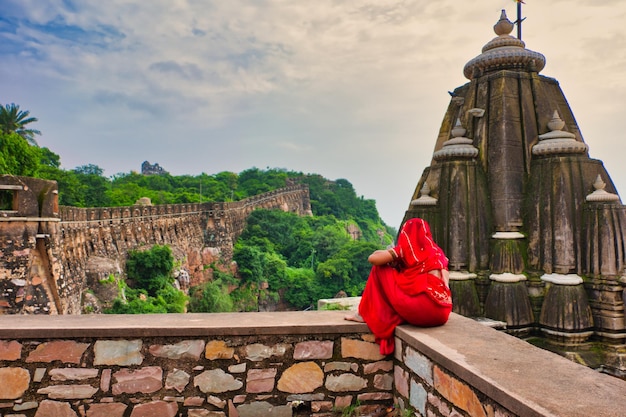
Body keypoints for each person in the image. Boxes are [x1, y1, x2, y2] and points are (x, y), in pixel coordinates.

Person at [346, 218, 452, 355]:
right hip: (442, 314)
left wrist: (391, 253)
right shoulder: (437, 253)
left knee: (379, 269)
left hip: (422, 312)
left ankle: (362, 313)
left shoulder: (405, 250)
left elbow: (373, 260)